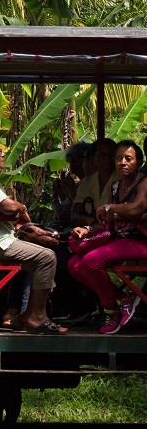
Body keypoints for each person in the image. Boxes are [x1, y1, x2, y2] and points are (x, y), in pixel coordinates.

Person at [0, 137, 64, 334]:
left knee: (35, 258)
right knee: (47, 257)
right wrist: (21, 206)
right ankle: (36, 316)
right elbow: (8, 207)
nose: (3, 154)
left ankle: (25, 312)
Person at [68, 139, 147, 333]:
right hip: (119, 239)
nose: (122, 162)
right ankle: (123, 298)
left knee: (92, 260)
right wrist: (88, 229)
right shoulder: (115, 186)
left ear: (138, 162)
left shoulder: (144, 182)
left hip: (140, 240)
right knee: (75, 264)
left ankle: (112, 312)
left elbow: (137, 208)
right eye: (119, 158)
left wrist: (111, 207)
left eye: (128, 159)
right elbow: (108, 223)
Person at [71, 138, 117, 226]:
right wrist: (91, 222)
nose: (107, 159)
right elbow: (74, 215)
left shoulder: (121, 179)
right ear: (94, 157)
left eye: (111, 155)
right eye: (102, 154)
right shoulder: (86, 183)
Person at [52, 142, 88, 228]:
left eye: (74, 160)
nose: (71, 164)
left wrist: (54, 197)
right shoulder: (80, 184)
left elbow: (64, 217)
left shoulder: (88, 185)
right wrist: (63, 192)